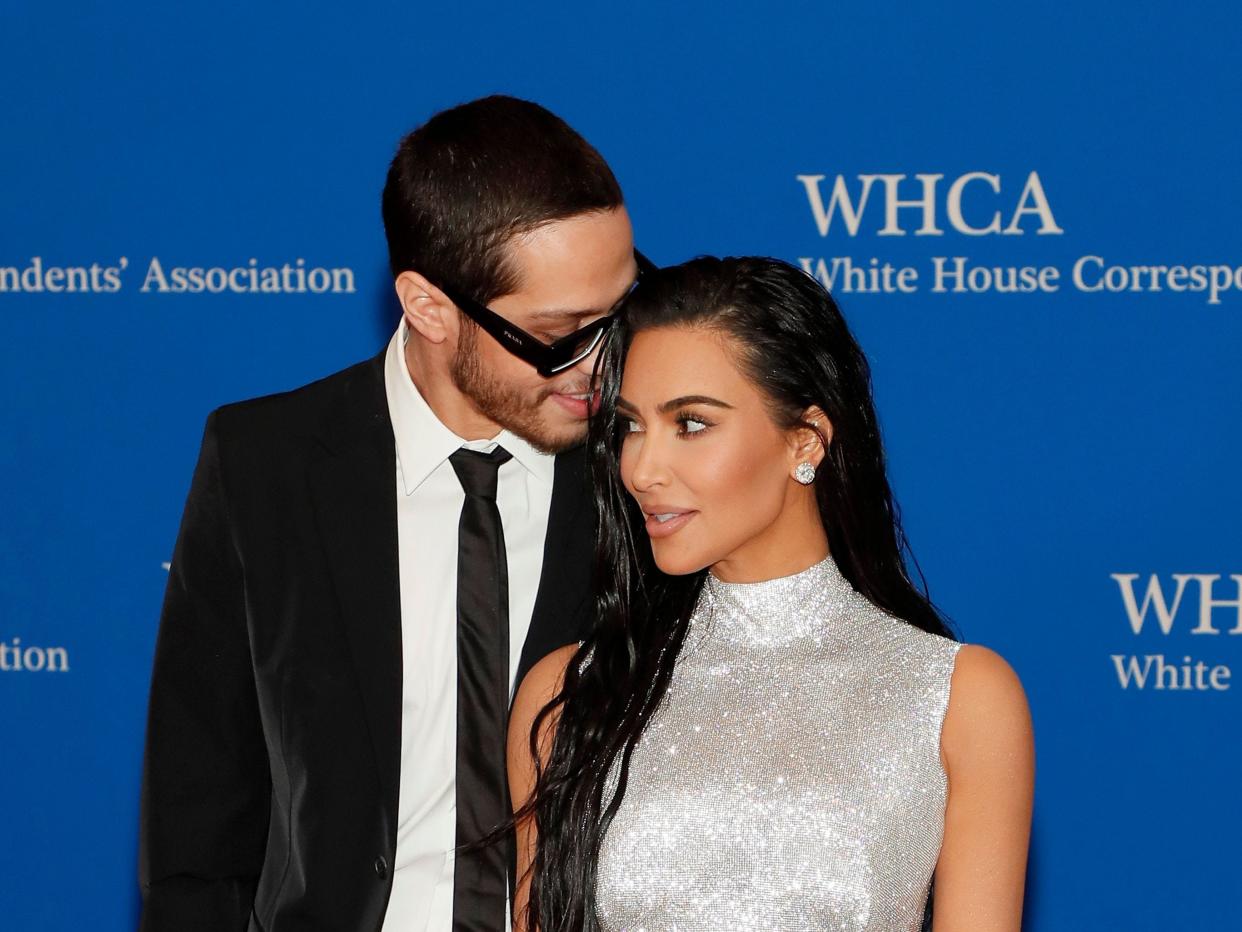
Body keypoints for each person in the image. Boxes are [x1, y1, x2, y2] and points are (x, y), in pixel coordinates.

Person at [139, 95, 645, 932]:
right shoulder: (265, 461)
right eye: (559, 332)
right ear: (430, 307)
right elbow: (199, 810)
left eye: (617, 313)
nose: (600, 362)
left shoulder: (647, 468)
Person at [509, 257, 1035, 931]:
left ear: (806, 440)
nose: (641, 467)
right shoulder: (570, 695)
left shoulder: (957, 699)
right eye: (630, 425)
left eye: (691, 423)